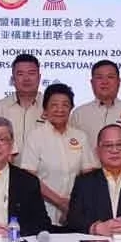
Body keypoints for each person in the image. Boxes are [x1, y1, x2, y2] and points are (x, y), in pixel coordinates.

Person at [19, 83, 98, 227]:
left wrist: (73, 206)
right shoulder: (35, 137)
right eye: (54, 105)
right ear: (45, 109)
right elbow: (29, 178)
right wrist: (61, 203)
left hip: (76, 212)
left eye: (65, 105)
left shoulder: (80, 137)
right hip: (42, 211)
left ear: (71, 108)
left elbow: (89, 175)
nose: (60, 109)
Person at [69, 60, 121, 157]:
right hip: (90, 171)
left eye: (110, 77)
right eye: (99, 77)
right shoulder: (79, 114)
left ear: (119, 82)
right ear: (92, 82)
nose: (105, 82)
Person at [0, 53, 44, 153]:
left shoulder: (51, 108)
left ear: (39, 77)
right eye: (20, 74)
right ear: (12, 79)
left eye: (31, 73)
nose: (26, 78)